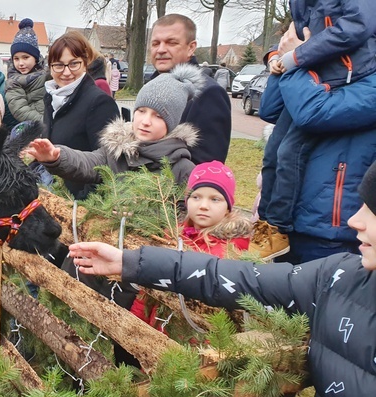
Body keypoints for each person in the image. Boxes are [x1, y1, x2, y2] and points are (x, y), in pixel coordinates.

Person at [68, 158, 376, 397]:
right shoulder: (338, 277)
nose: (353, 220)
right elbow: (231, 277)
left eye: (371, 209)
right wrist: (131, 262)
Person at [250, 2, 376, 262]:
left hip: (335, 236)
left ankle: (276, 225)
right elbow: (270, 107)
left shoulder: (367, 72)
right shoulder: (314, 47)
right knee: (274, 153)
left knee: (286, 149)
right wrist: (278, 59)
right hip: (296, 228)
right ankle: (269, 227)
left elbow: (312, 113)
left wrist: (298, 57)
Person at [28, 64, 201, 186]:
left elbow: (185, 217)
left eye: (158, 116)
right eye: (141, 111)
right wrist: (57, 156)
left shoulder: (182, 169)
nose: (145, 121)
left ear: (172, 123)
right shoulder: (116, 151)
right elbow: (87, 162)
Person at [130, 161, 251, 331]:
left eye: (215, 199)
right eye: (196, 197)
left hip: (194, 336)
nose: (203, 205)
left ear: (228, 208)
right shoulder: (172, 237)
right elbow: (147, 290)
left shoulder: (229, 252)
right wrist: (136, 325)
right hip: (158, 329)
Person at [37, 31, 120, 198]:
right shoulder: (52, 98)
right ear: (51, 68)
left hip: (79, 205)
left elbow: (107, 165)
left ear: (85, 63)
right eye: (59, 65)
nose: (66, 72)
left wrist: (84, 203)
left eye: (74, 64)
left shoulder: (99, 103)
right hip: (55, 197)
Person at [148, 14, 231, 165]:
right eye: (155, 43)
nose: (160, 50)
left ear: (191, 48)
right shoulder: (151, 88)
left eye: (171, 43)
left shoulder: (208, 94)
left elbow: (206, 166)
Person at [5, 18, 46, 123]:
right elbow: (20, 110)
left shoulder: (47, 74)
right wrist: (46, 123)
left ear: (35, 58)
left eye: (25, 57)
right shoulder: (13, 82)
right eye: (16, 59)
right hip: (35, 126)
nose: (21, 63)